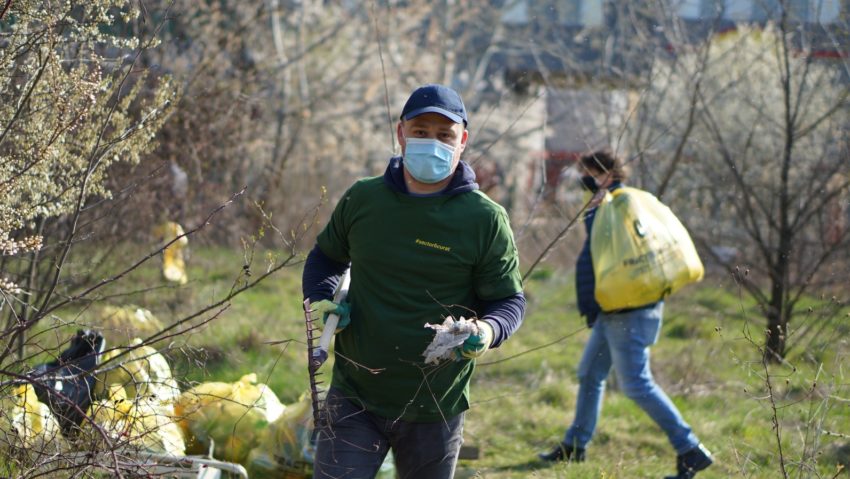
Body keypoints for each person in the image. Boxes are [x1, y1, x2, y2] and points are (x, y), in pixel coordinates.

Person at [302, 84, 526, 479]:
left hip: (435, 405)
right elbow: (327, 257)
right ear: (401, 133)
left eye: (445, 135)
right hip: (355, 396)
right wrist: (321, 298)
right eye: (421, 131)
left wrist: (487, 331)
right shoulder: (363, 199)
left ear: (462, 142)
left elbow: (509, 301)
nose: (432, 142)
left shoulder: (484, 219)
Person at [538, 150, 713, 479]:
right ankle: (575, 445)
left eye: (589, 173)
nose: (584, 180)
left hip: (628, 311)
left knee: (635, 384)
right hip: (613, 308)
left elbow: (610, 249)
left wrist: (596, 206)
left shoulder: (619, 206)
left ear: (605, 173)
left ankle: (690, 449)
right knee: (590, 374)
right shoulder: (612, 204)